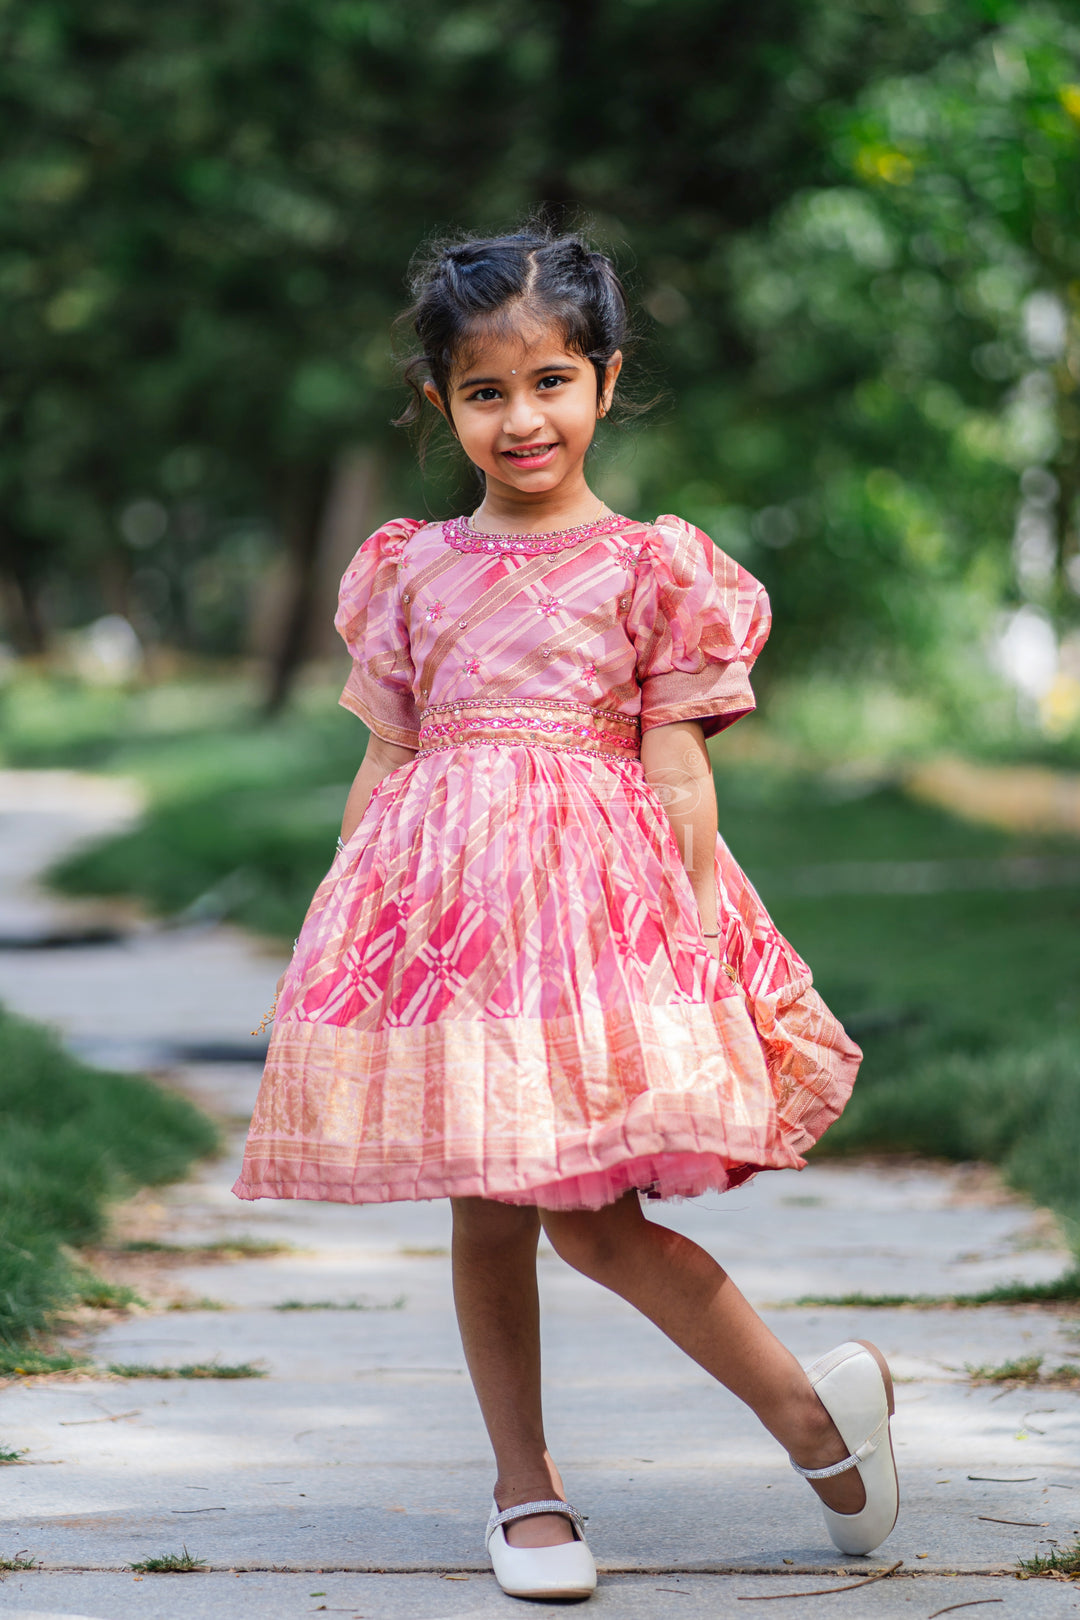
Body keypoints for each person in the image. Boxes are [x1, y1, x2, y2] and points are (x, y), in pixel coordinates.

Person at [234, 228, 898, 1602]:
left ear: (605, 380)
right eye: (485, 392)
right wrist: (344, 932)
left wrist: (699, 934)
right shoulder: (410, 569)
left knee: (594, 1223)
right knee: (485, 1213)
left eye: (550, 381)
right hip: (451, 939)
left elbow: (676, 766)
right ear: (441, 404)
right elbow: (387, 762)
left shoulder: (651, 566)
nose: (521, 417)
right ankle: (525, 1493)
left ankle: (813, 1422)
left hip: (597, 928)